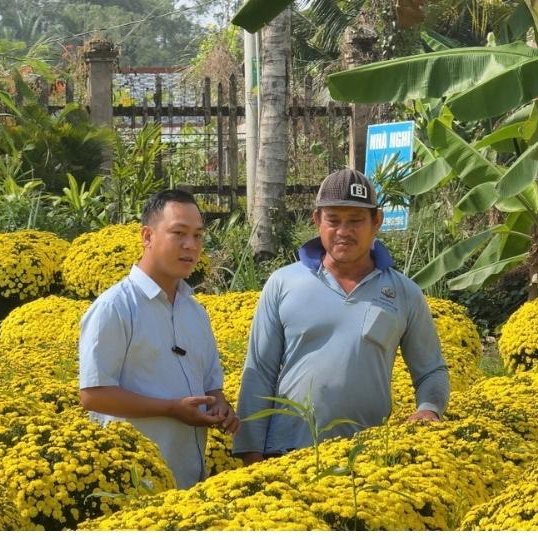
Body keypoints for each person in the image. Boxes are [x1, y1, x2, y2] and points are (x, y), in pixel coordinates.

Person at [233, 168, 449, 465]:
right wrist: (250, 451)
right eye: (333, 220)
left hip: (368, 458)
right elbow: (259, 371)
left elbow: (430, 371)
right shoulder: (283, 284)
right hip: (286, 454)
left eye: (356, 220)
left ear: (377, 222)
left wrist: (428, 409)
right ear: (317, 221)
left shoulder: (404, 293)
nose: (344, 231)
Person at [79, 189, 239, 489]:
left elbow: (211, 386)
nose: (190, 245)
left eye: (198, 235)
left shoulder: (195, 312)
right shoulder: (115, 307)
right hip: (132, 484)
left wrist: (220, 407)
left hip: (190, 481)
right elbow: (93, 395)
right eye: (178, 233)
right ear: (147, 236)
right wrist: (170, 408)